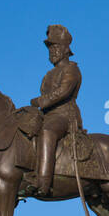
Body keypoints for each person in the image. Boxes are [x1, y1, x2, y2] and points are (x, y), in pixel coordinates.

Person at [29, 24, 82, 196]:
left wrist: (40, 101)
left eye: (55, 47)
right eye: (50, 48)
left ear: (66, 49)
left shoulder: (72, 69)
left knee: (47, 132)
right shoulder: (48, 74)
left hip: (65, 116)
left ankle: (43, 182)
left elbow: (63, 92)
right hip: (48, 115)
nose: (52, 51)